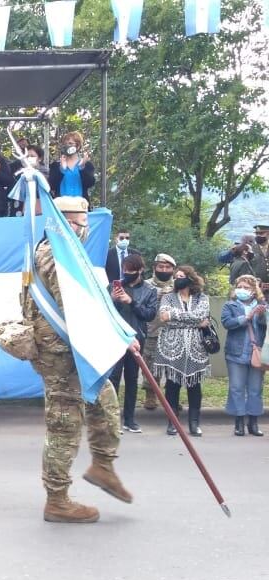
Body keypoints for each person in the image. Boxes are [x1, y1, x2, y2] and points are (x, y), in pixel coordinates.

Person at [21, 196, 132, 523]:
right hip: (60, 355)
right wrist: (116, 335)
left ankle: (103, 466)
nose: (81, 230)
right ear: (64, 224)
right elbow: (75, 306)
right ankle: (57, 499)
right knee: (64, 424)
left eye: (83, 225)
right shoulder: (53, 253)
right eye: (77, 224)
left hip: (75, 352)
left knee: (105, 403)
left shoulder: (66, 252)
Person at [155, 265, 211, 437]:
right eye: (176, 276)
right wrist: (193, 320)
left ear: (190, 278)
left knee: (194, 386)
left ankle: (194, 422)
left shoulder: (202, 297)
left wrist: (175, 316)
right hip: (171, 347)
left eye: (182, 276)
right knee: (172, 385)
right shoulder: (168, 297)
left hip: (196, 349)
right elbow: (164, 317)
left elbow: (202, 316)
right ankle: (173, 421)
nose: (178, 278)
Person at [108, 254, 159, 433]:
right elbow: (106, 312)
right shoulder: (115, 286)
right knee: (113, 377)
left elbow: (150, 315)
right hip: (115, 338)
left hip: (138, 337)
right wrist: (113, 299)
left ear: (140, 270)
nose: (126, 274)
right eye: (124, 270)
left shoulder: (150, 290)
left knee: (131, 378)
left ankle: (129, 419)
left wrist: (132, 302)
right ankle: (112, 419)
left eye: (130, 271)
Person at [221, 274, 266, 437]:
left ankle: (253, 423)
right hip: (235, 352)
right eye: (239, 287)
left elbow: (264, 327)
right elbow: (227, 323)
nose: (242, 290)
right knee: (236, 388)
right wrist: (245, 317)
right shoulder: (230, 305)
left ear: (254, 291)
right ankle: (239, 422)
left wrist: (261, 315)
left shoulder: (263, 305)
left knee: (255, 389)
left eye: (246, 288)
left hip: (257, 353)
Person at [141, 253, 177, 411]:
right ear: (154, 268)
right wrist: (155, 297)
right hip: (151, 331)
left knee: (173, 367)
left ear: (173, 269)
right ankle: (150, 395)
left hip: (173, 333)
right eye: (160, 267)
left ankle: (172, 397)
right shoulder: (145, 285)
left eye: (167, 267)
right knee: (150, 366)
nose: (164, 269)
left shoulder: (178, 285)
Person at [49, 131, 96, 202]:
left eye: (70, 143)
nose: (67, 145)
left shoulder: (86, 164)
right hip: (61, 207)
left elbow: (90, 183)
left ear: (78, 146)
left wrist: (82, 167)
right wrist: (62, 170)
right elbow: (51, 185)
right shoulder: (56, 165)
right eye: (65, 144)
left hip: (80, 207)